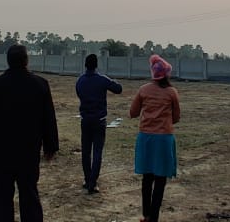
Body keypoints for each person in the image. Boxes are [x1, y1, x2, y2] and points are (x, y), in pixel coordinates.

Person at [0, 45, 59, 222]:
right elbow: (48, 119)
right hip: (28, 152)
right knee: (29, 195)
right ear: (26, 60)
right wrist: (50, 146)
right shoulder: (40, 84)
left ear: (8, 61)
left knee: (1, 199)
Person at [129, 55, 180, 222]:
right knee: (160, 180)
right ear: (166, 74)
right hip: (164, 138)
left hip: (146, 138)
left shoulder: (143, 90)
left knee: (147, 178)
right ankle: (154, 217)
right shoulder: (172, 92)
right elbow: (176, 117)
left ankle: (146, 214)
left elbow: (133, 113)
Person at [76, 53, 122, 194]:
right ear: (96, 65)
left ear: (85, 64)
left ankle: (87, 178)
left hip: (85, 120)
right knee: (97, 152)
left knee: (86, 151)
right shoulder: (102, 79)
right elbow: (118, 89)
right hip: (99, 120)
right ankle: (93, 182)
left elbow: (79, 94)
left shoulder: (80, 81)